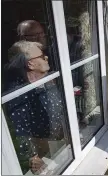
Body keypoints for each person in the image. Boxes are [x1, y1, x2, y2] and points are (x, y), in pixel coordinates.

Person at [4, 41, 65, 174]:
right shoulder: (17, 93)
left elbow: (58, 110)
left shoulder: (49, 79)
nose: (47, 58)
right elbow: (19, 130)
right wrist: (33, 157)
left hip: (58, 145)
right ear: (30, 64)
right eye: (43, 56)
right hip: (42, 153)